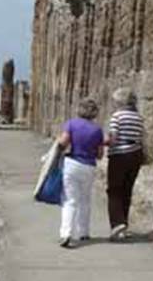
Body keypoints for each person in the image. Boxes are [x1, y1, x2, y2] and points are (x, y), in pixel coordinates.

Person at [57, 97, 105, 248]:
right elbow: (100, 154)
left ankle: (66, 233)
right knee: (85, 199)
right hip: (88, 166)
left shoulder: (71, 124)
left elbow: (63, 142)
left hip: (72, 163)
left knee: (70, 200)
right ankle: (83, 231)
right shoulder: (97, 130)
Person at [105, 87, 145, 241]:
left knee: (114, 190)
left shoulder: (117, 116)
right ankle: (123, 225)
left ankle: (117, 225)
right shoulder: (138, 117)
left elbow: (113, 137)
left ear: (120, 102)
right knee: (127, 190)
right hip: (135, 154)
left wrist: (103, 142)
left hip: (119, 155)